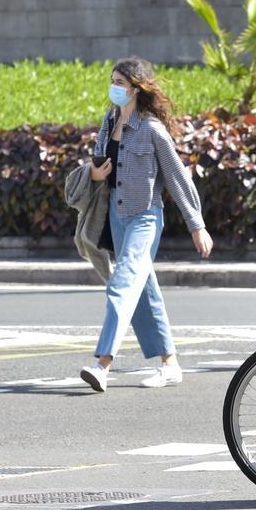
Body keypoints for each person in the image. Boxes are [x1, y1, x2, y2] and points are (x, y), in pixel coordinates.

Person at [79, 58, 213, 393]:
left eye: (120, 82)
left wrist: (197, 224)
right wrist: (93, 174)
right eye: (112, 81)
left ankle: (102, 363)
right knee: (143, 291)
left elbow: (177, 177)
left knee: (122, 284)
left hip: (145, 218)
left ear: (137, 88)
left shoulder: (152, 129)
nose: (114, 88)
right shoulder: (108, 124)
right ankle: (170, 364)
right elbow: (97, 167)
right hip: (116, 218)